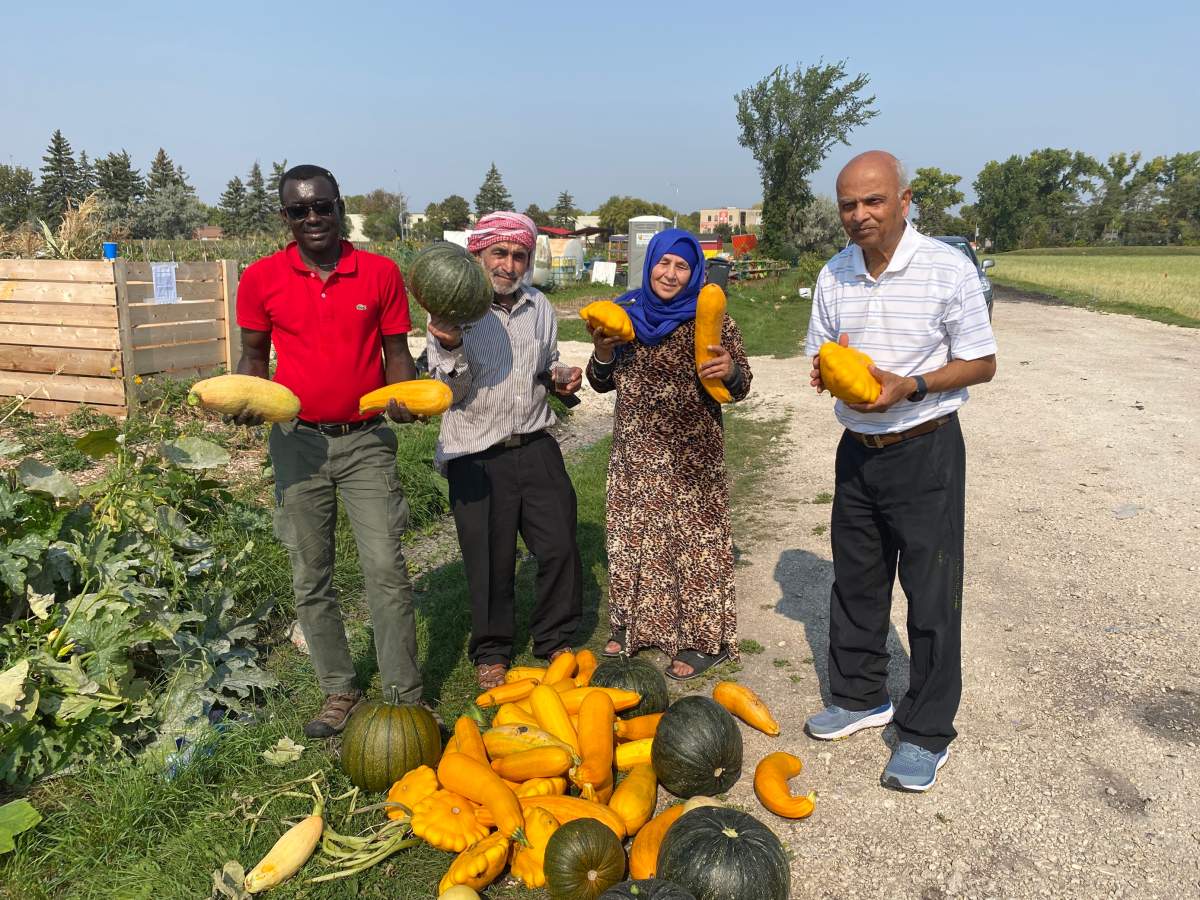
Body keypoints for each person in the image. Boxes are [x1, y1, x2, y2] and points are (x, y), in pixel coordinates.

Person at [803, 150, 997, 791]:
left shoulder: (948, 268)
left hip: (926, 447)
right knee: (855, 582)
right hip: (858, 451)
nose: (859, 215)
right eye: (848, 205)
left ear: (904, 200)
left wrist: (910, 384)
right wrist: (829, 368)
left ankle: (926, 730)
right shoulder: (833, 274)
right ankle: (861, 698)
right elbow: (821, 351)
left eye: (873, 201)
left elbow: (981, 362)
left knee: (932, 594)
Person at [233, 164, 427, 738]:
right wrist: (245, 399)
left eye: (322, 207)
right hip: (297, 444)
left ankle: (402, 695)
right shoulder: (262, 277)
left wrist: (402, 393)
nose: (313, 218)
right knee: (309, 573)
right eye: (300, 210)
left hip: (366, 440)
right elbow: (252, 356)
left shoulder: (380, 273)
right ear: (285, 216)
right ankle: (338, 690)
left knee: (386, 569)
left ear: (340, 206)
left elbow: (396, 350)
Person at [424, 212, 584, 691]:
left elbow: (547, 365)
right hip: (476, 450)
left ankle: (554, 638)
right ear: (479, 255)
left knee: (558, 545)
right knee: (489, 558)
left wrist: (560, 378)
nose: (510, 264)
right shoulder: (452, 310)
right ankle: (491, 651)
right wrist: (450, 345)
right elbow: (448, 391)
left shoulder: (539, 306)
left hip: (535, 442)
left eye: (519, 255)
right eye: (500, 253)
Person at [586, 229, 751, 680]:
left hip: (692, 454)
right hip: (635, 453)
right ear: (649, 263)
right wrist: (601, 354)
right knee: (633, 539)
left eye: (682, 266)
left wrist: (730, 371)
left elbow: (741, 386)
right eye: (664, 263)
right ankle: (634, 626)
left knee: (695, 543)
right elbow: (600, 382)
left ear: (695, 271)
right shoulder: (623, 316)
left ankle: (703, 639)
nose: (671, 274)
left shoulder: (711, 320)